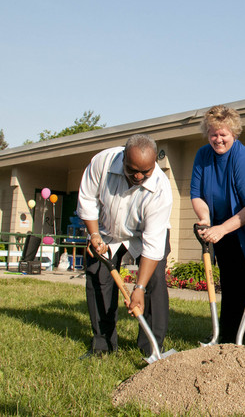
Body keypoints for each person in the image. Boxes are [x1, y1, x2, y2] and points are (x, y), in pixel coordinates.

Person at [77, 134, 173, 358]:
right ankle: (103, 345)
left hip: (143, 235)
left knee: (155, 280)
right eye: (132, 170)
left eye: (145, 172)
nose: (138, 176)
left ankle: (151, 348)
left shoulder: (160, 189)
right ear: (123, 159)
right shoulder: (103, 162)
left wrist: (138, 288)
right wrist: (93, 235)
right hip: (106, 231)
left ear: (155, 164)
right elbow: (88, 199)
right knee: (98, 278)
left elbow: (153, 245)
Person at [190, 105, 245, 344]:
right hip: (219, 227)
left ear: (234, 133)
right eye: (213, 134)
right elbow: (196, 194)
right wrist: (205, 220)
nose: (218, 139)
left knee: (242, 283)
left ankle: (236, 338)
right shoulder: (202, 156)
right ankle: (224, 335)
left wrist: (221, 229)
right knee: (228, 281)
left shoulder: (243, 158)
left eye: (223, 134)